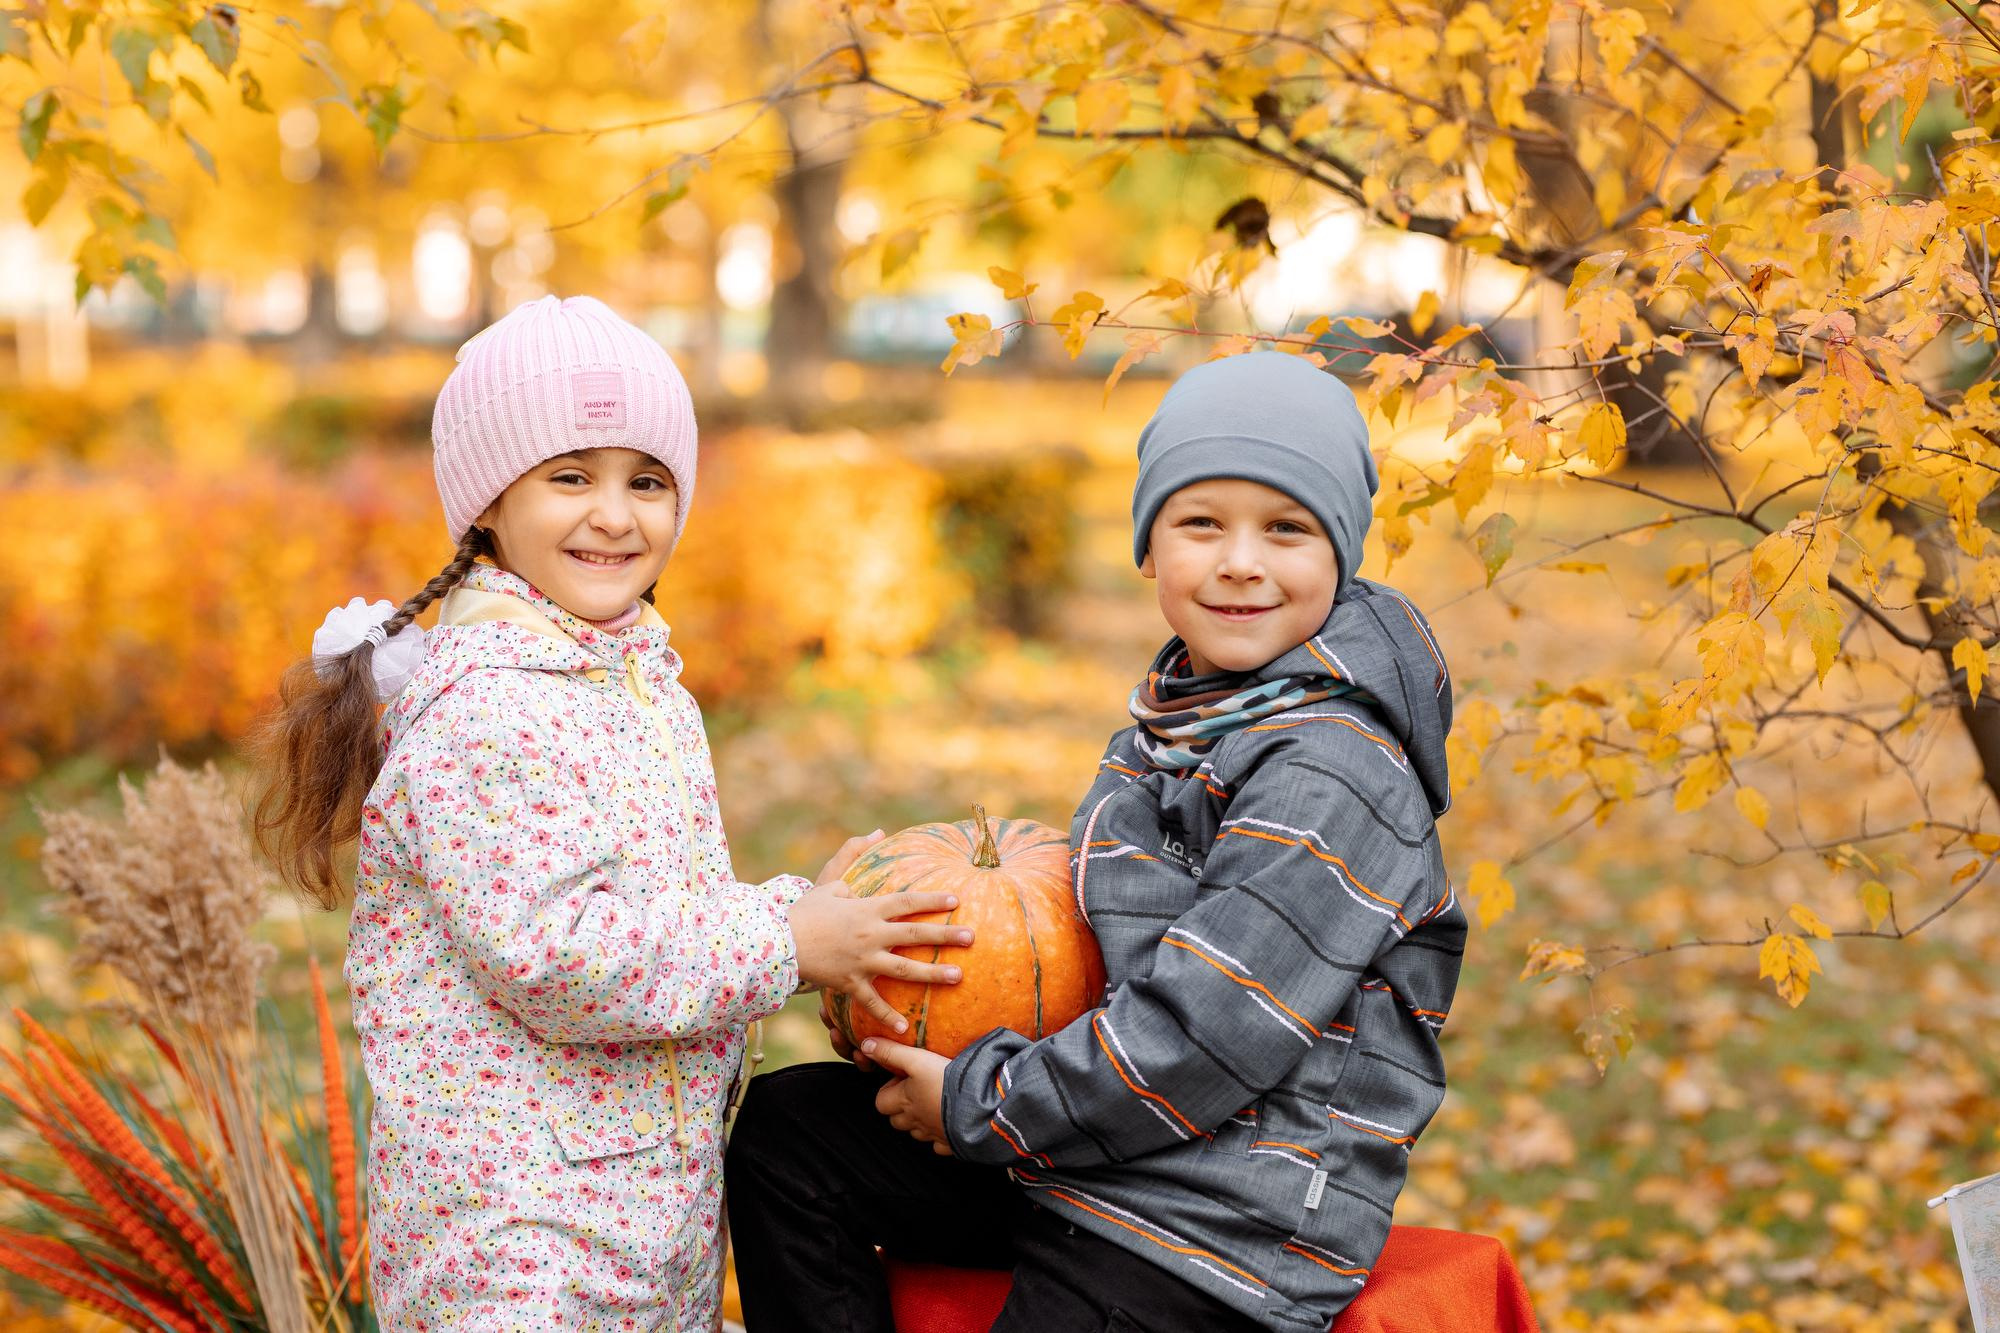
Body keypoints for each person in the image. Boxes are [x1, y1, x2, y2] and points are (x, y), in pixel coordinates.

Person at [254, 295, 971, 1330]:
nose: (615, 512)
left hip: (630, 1206)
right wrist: (785, 935)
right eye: (570, 477)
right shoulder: (494, 705)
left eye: (647, 480)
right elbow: (555, 953)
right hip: (518, 1240)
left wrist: (791, 913)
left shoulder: (624, 674)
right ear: (488, 506)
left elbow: (647, 907)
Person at [726, 350, 1462, 1332]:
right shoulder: (1178, 719)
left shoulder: (1327, 773)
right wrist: (906, 996)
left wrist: (976, 1103)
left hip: (1221, 1216)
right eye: (1201, 522)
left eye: (1286, 529)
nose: (1241, 559)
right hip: (1098, 1147)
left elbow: (1204, 1037)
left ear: (1340, 555)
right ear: (1149, 548)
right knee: (791, 1135)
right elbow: (1071, 953)